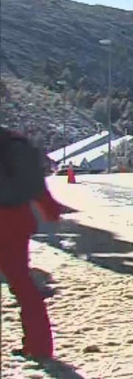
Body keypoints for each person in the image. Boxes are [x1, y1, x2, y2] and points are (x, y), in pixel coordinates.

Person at [1, 128, 67, 359]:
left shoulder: (10, 143)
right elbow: (35, 183)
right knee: (22, 284)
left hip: (8, 220)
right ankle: (38, 346)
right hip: (16, 219)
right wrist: (49, 208)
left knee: (21, 284)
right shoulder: (13, 141)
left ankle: (38, 346)